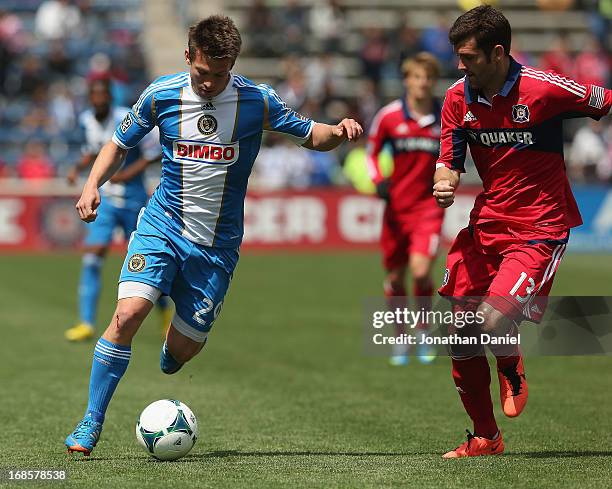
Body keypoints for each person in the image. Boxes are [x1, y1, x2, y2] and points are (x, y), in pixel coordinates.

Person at [64, 15, 363, 456]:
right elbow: (118, 144)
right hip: (162, 226)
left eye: (220, 75)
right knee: (127, 316)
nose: (209, 84)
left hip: (218, 247)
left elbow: (309, 133)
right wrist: (93, 185)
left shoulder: (256, 100)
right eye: (203, 73)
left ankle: (174, 351)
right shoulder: (161, 94)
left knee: (182, 351)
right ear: (189, 57)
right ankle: (90, 422)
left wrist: (338, 132)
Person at [433, 5, 611, 458]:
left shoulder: (545, 88)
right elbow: (450, 159)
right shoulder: (458, 97)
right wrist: (444, 181)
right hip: (487, 224)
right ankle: (485, 438)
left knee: (492, 321)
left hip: (540, 227)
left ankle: (511, 365)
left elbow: (603, 100)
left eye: (469, 57)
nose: (461, 65)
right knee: (460, 334)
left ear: (497, 53)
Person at [64, 77, 172, 342]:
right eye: (94, 96)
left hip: (133, 199)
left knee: (145, 262)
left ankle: (165, 314)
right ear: (90, 99)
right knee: (93, 253)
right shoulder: (87, 120)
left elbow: (154, 151)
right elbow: (95, 150)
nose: (98, 100)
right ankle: (86, 323)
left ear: (111, 98)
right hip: (107, 199)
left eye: (103, 96)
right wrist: (77, 168)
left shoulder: (127, 116)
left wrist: (128, 174)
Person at [367, 53, 445, 366]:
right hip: (396, 209)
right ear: (406, 80)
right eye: (416, 77)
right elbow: (371, 153)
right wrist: (378, 181)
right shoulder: (389, 116)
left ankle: (423, 330)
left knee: (422, 270)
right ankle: (401, 335)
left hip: (429, 207)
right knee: (396, 279)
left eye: (427, 77)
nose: (422, 83)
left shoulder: (445, 117)